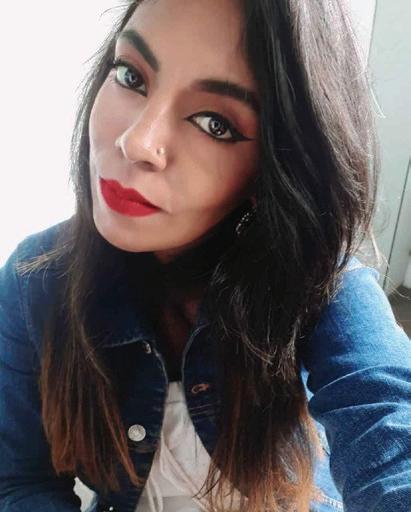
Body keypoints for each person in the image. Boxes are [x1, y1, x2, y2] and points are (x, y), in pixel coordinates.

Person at [0, 0, 410, 511]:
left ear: (274, 167)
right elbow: (20, 481)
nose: (137, 141)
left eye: (214, 123)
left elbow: (389, 426)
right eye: (131, 75)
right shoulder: (35, 281)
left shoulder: (320, 285)